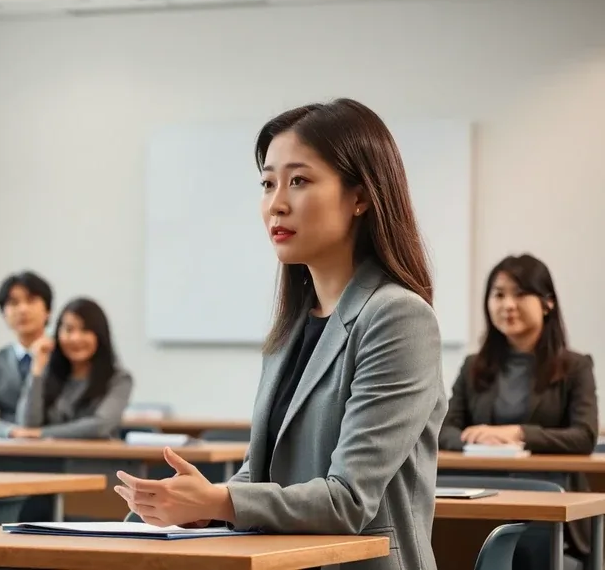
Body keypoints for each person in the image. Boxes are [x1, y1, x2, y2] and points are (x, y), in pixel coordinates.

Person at [113, 99, 446, 570]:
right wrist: (192, 510)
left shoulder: (398, 318)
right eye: (268, 183)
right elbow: (265, 474)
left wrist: (218, 500)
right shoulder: (293, 325)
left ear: (360, 196)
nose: (277, 203)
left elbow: (348, 500)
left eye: (299, 181)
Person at [439, 253, 596, 570]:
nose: (507, 305)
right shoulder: (474, 367)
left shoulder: (575, 367)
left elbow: (584, 436)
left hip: (549, 502)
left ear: (547, 303)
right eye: (498, 295)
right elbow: (444, 430)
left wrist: (519, 434)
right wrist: (475, 441)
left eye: (520, 293)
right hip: (482, 493)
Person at [13, 297, 133, 439]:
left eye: (85, 330)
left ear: (100, 336)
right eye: (69, 330)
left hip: (96, 459)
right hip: (49, 458)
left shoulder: (119, 379)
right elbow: (27, 425)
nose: (76, 338)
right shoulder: (49, 373)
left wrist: (42, 433)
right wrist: (36, 369)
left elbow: (100, 426)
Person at [0, 271, 54, 437]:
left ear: (48, 310)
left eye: (31, 300)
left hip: (58, 447)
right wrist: (12, 432)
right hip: (7, 448)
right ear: (3, 314)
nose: (22, 309)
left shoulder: (66, 357)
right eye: (13, 303)